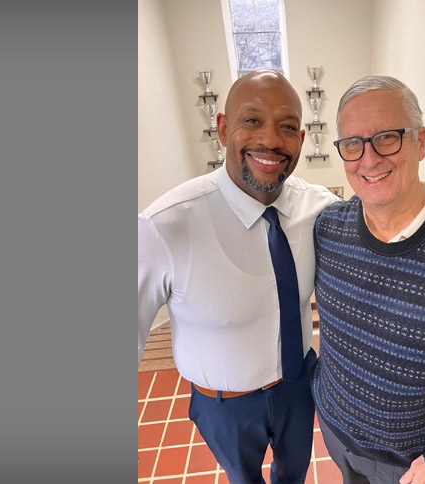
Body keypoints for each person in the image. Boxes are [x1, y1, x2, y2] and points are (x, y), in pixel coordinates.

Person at [138, 69, 339, 484]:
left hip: (298, 387)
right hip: (224, 406)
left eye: (286, 126)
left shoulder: (320, 210)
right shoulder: (165, 227)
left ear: (301, 140)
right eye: (252, 120)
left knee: (294, 475)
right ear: (224, 127)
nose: (270, 140)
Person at [310, 75, 425, 484]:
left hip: (409, 462)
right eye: (352, 145)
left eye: (387, 137)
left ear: (421, 141)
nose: (369, 159)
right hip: (334, 429)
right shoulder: (328, 229)